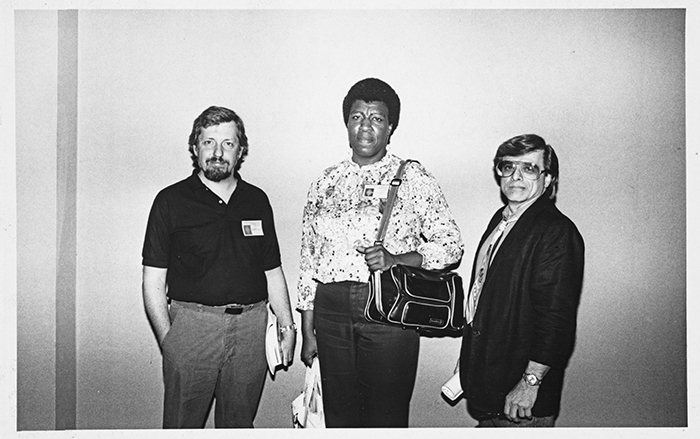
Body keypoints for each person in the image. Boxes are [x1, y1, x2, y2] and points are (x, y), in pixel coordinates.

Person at [297, 78, 464, 427]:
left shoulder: (413, 177)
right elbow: (308, 260)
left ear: (391, 128)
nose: (366, 126)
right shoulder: (324, 182)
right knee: (340, 417)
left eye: (376, 118)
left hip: (387, 308)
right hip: (330, 311)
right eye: (358, 117)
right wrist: (308, 330)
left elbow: (450, 244)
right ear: (347, 123)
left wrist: (397, 260)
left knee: (384, 417)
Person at [141, 106, 296, 429]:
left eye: (228, 143)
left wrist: (287, 326)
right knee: (181, 427)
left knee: (238, 426)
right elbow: (153, 281)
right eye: (208, 142)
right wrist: (169, 341)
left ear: (241, 151)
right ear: (195, 148)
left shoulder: (257, 200)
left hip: (252, 331)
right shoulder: (170, 201)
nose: (217, 152)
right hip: (191, 330)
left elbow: (273, 271)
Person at [459, 134, 584, 427]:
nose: (515, 177)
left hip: (521, 400)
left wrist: (530, 383)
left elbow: (556, 319)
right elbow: (484, 296)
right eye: (508, 167)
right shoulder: (500, 220)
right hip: (490, 385)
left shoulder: (556, 231)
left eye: (528, 168)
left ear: (548, 178)